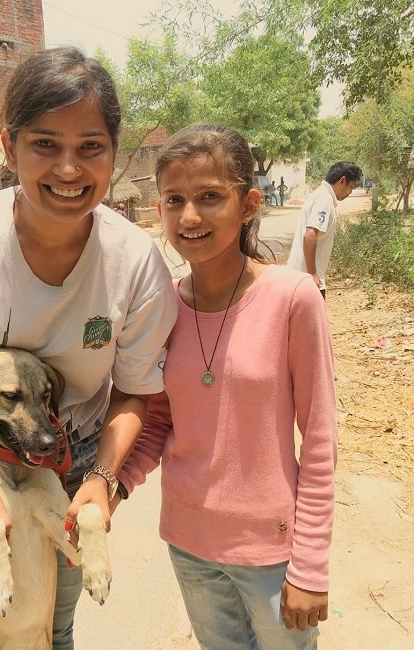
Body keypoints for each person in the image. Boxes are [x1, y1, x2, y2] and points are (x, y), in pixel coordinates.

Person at [0, 46, 177, 650]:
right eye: (45, 144)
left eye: (90, 146)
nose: (69, 169)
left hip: (71, 464)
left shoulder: (133, 262)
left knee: (53, 626)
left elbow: (132, 392)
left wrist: (102, 478)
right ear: (7, 145)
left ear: (113, 153)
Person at [114, 124, 338, 650]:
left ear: (249, 205)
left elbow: (321, 441)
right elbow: (159, 422)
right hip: (189, 545)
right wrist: (111, 486)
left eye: (210, 197)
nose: (190, 216)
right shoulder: (162, 306)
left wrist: (309, 567)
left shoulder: (292, 298)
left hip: (271, 553)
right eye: (175, 200)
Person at [287, 161, 362, 298]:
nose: (350, 192)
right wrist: (312, 274)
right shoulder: (324, 200)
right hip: (306, 280)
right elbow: (310, 235)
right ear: (342, 181)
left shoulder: (321, 196)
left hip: (300, 278)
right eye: (351, 186)